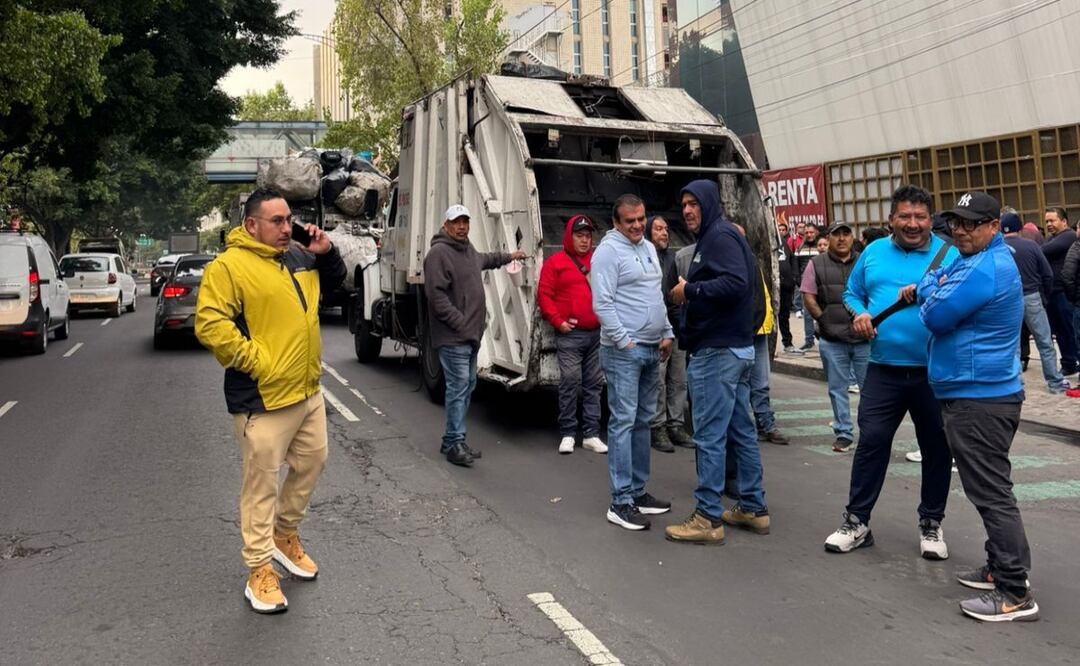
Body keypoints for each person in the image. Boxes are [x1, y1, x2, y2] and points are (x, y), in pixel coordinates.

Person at [196, 188, 347, 614]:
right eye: (276, 221)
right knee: (260, 486)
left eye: (288, 220)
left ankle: (284, 534)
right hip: (262, 398)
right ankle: (259, 568)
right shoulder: (229, 267)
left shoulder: (299, 257)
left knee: (313, 462)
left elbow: (336, 287)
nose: (286, 228)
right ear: (251, 225)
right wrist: (257, 361)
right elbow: (210, 324)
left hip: (306, 391)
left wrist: (326, 252)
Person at [919, 191, 1038, 622]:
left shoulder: (985, 267)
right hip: (980, 393)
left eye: (971, 224)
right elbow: (938, 284)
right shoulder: (975, 259)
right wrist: (936, 286)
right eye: (956, 223)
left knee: (991, 493)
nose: (960, 231)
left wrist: (930, 289)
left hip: (980, 398)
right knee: (991, 488)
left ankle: (1014, 591)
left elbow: (934, 314)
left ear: (993, 227)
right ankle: (997, 569)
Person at [823, 185, 957, 561]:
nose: (913, 224)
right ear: (890, 220)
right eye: (905, 216)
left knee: (936, 448)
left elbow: (962, 301)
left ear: (931, 219)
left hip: (934, 373)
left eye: (920, 217)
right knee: (872, 442)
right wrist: (861, 313)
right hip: (882, 369)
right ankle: (857, 521)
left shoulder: (950, 255)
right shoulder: (873, 252)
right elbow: (852, 294)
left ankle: (931, 522)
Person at [665, 179, 769, 544]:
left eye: (694, 203)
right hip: (733, 349)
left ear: (709, 203)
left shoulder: (719, 237)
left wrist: (688, 290)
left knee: (709, 435)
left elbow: (736, 284)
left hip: (718, 351)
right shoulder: (719, 236)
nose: (688, 210)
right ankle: (753, 507)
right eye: (684, 205)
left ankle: (707, 517)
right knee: (741, 431)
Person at [592, 194, 674, 531]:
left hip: (652, 348)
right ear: (616, 222)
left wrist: (666, 331)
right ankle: (620, 501)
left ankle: (638, 492)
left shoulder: (649, 248)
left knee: (643, 421)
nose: (638, 225)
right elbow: (602, 303)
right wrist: (624, 341)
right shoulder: (607, 253)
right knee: (623, 423)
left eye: (641, 218)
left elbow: (655, 295)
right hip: (624, 352)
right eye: (630, 221)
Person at [423, 204, 526, 467]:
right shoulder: (438, 253)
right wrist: (460, 323)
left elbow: (487, 259)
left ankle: (452, 439)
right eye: (456, 222)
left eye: (465, 222)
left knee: (467, 385)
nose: (462, 227)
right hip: (453, 337)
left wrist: (510, 256)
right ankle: (455, 443)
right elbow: (436, 298)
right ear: (446, 225)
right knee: (459, 388)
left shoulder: (467, 250)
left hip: (470, 335)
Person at [537, 215, 608, 455]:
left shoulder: (598, 261)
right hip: (571, 335)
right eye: (579, 236)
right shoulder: (555, 263)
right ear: (569, 236)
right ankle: (568, 433)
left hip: (597, 334)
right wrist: (558, 321)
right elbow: (544, 295)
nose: (585, 240)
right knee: (569, 381)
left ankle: (591, 434)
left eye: (588, 236)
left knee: (594, 385)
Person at [800, 222, 868, 452]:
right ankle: (844, 433)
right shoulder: (816, 264)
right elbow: (808, 296)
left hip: (864, 338)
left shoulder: (865, 260)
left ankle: (870, 432)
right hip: (832, 339)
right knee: (837, 389)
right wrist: (823, 320)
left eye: (846, 234)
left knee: (870, 390)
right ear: (828, 238)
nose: (841, 239)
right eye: (836, 234)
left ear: (852, 237)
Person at [1001, 213, 1070, 393]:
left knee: (1013, 345)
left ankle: (1015, 385)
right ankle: (1054, 382)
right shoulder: (1031, 246)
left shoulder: (998, 249)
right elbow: (1047, 274)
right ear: (1020, 228)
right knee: (1044, 342)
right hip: (1032, 296)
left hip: (1008, 299)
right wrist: (1044, 296)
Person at [645, 216, 693, 452]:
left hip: (677, 328)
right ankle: (658, 426)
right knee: (658, 381)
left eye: (666, 229)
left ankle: (676, 424)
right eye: (658, 229)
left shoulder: (674, 259)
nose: (664, 233)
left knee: (679, 380)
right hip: (657, 330)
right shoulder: (645, 258)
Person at [1042, 207, 1078, 376]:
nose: (1049, 224)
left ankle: (1073, 361)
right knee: (1060, 332)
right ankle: (1068, 363)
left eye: (1052, 220)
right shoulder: (1051, 239)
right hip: (1053, 293)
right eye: (1047, 221)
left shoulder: (1069, 236)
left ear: (1064, 221)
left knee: (1069, 330)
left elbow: (1042, 251)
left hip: (1064, 293)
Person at [791, 224, 820, 351]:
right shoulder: (799, 247)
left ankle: (825, 338)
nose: (809, 235)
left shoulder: (821, 246)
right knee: (808, 314)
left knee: (823, 313)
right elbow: (796, 266)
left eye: (811, 232)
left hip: (821, 285)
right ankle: (809, 340)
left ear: (816, 232)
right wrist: (799, 281)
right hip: (806, 286)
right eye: (807, 232)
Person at [776, 221, 797, 353]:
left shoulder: (783, 243)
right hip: (774, 286)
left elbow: (792, 259)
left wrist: (793, 277)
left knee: (784, 316)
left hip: (786, 286)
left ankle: (787, 343)